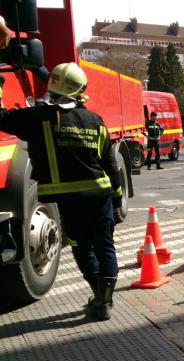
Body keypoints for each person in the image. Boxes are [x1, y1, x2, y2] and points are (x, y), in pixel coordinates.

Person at [0, 62, 122, 320]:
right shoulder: (94, 120)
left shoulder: (38, 118)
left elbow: (2, 118)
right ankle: (104, 299)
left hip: (67, 199)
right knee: (104, 245)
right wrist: (118, 197)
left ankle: (98, 296)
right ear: (81, 90)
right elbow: (109, 164)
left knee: (81, 245)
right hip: (100, 195)